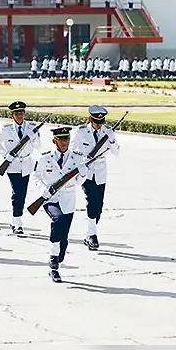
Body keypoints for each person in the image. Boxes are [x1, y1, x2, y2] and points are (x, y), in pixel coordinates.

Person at [33, 127, 85, 282]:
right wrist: (44, 190)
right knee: (58, 219)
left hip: (68, 201)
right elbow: (36, 176)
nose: (64, 142)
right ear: (54, 140)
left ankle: (58, 256)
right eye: (61, 139)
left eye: (66, 139)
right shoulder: (45, 158)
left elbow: (78, 182)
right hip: (50, 199)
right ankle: (53, 261)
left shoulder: (76, 158)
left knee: (64, 237)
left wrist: (82, 173)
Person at [69, 106, 120, 250]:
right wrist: (83, 159)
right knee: (91, 200)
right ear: (90, 119)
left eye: (101, 122)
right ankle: (92, 235)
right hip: (87, 170)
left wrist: (112, 141)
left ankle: (89, 233)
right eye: (96, 122)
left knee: (99, 206)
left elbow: (116, 152)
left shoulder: (107, 132)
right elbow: (72, 150)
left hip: (101, 171)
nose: (99, 125)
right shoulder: (81, 132)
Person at [0, 101, 42, 236]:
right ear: (12, 115)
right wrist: (7, 156)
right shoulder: (7, 128)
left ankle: (16, 220)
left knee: (22, 193)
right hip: (12, 165)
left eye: (21, 113)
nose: (19, 116)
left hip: (26, 164)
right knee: (17, 193)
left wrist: (33, 137)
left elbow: (38, 146)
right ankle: (17, 222)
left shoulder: (32, 127)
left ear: (24, 114)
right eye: (16, 113)